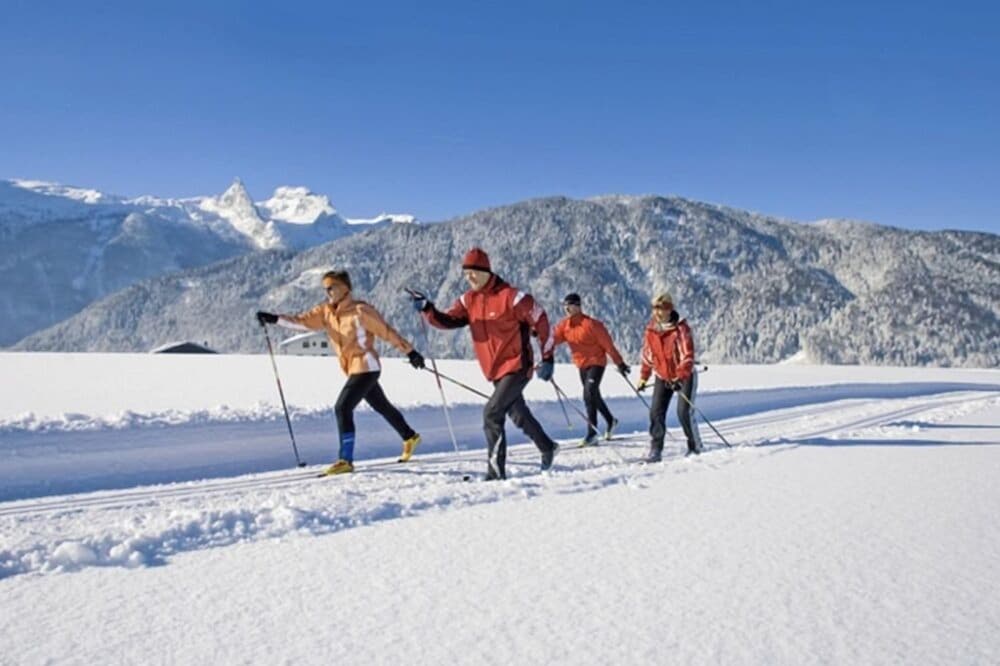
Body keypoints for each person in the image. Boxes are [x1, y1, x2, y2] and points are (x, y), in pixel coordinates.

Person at [256, 270, 425, 475]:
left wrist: (410, 352)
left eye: (331, 287)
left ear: (345, 288)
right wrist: (274, 319)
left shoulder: (361, 311)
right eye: (325, 288)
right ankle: (410, 436)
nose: (327, 291)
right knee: (381, 405)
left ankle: (345, 459)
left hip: (366, 366)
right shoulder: (326, 312)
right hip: (352, 368)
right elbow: (302, 322)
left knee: (342, 408)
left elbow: (387, 332)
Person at [411, 247, 559, 480]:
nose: (469, 277)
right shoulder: (468, 300)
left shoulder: (512, 297)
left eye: (473, 272)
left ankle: (495, 471)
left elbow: (542, 322)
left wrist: (548, 357)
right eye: (465, 273)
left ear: (486, 271)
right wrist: (428, 309)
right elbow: (448, 320)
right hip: (493, 369)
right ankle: (547, 446)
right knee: (518, 414)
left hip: (517, 365)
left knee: (492, 412)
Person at [552, 293, 630, 446]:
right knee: (593, 396)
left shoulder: (592, 325)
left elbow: (608, 346)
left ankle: (591, 434)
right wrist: (538, 334)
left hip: (596, 362)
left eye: (571, 305)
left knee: (588, 395)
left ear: (578, 306)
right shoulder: (565, 326)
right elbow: (553, 338)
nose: (567, 308)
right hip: (581, 365)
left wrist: (619, 363)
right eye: (565, 306)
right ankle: (610, 420)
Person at [637, 291, 702, 462]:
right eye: (655, 308)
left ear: (669, 309)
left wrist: (680, 377)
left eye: (662, 308)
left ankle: (695, 446)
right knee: (656, 412)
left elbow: (687, 356)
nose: (658, 312)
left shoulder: (681, 329)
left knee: (683, 412)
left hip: (685, 375)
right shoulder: (651, 330)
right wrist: (644, 377)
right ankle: (656, 449)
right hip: (663, 375)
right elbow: (648, 356)